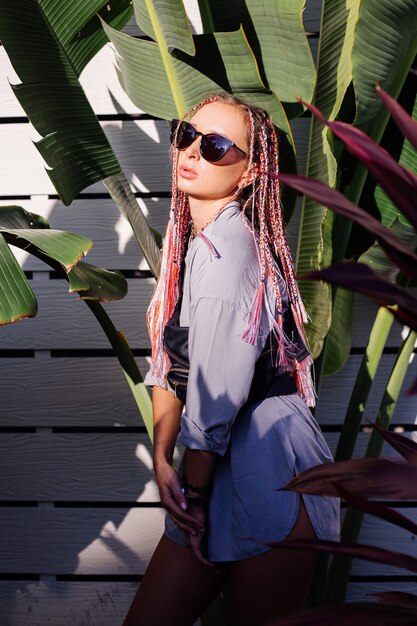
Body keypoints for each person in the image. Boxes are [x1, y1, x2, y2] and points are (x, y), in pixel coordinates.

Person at [123, 94, 340, 626]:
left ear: (248, 173)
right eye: (185, 136)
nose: (193, 152)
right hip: (212, 473)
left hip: (272, 474)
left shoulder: (229, 251)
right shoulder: (198, 245)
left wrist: (191, 490)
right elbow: (175, 363)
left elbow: (216, 395)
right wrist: (162, 454)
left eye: (218, 146)